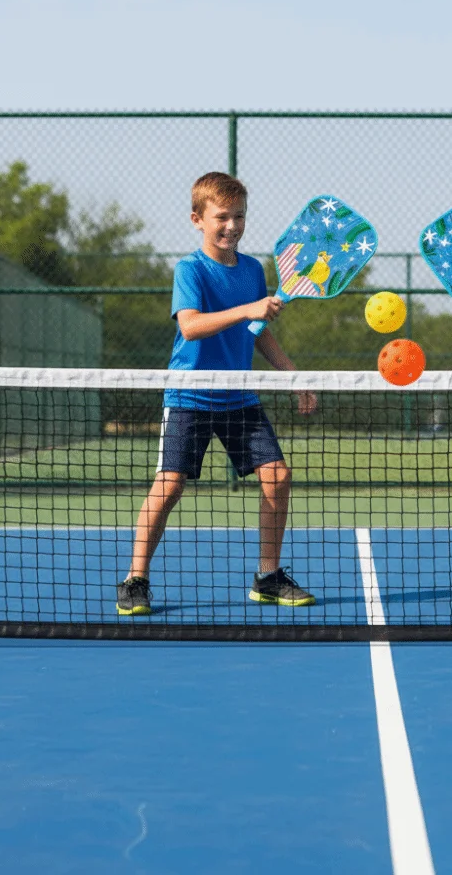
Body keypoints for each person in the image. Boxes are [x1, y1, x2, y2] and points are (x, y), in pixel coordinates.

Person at [117, 172, 317, 616]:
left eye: (239, 216)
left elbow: (256, 332)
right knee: (169, 487)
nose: (232, 225)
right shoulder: (190, 269)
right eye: (221, 217)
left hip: (239, 398)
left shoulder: (252, 270)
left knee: (278, 477)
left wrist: (292, 373)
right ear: (198, 219)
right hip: (189, 396)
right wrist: (248, 308)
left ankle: (268, 576)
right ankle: (135, 579)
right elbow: (190, 325)